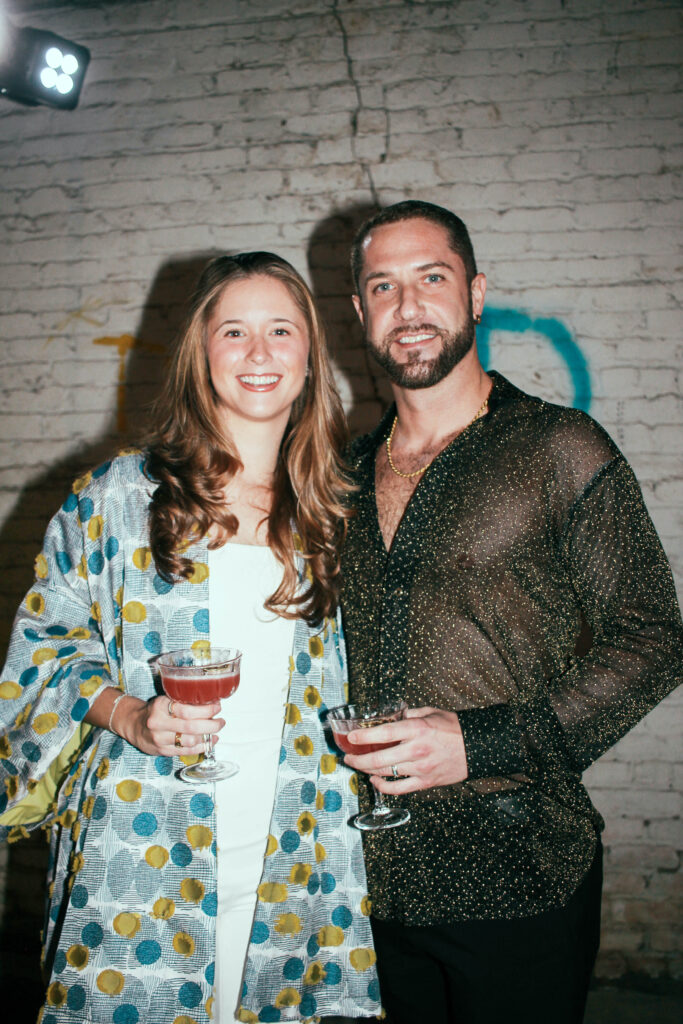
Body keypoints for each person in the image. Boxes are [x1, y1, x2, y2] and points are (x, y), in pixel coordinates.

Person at [0, 252, 381, 1024]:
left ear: (310, 359)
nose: (259, 351)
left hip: (297, 839)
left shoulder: (338, 509)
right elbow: (42, 645)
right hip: (143, 838)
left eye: (281, 330)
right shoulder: (121, 496)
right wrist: (127, 713)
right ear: (200, 358)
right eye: (233, 331)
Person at [338, 200, 683, 1024]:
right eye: (382, 286)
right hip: (363, 881)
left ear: (476, 291)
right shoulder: (341, 475)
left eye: (431, 278)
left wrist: (476, 741)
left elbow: (654, 639)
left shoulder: (559, 447)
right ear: (358, 311)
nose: (408, 306)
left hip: (519, 866)